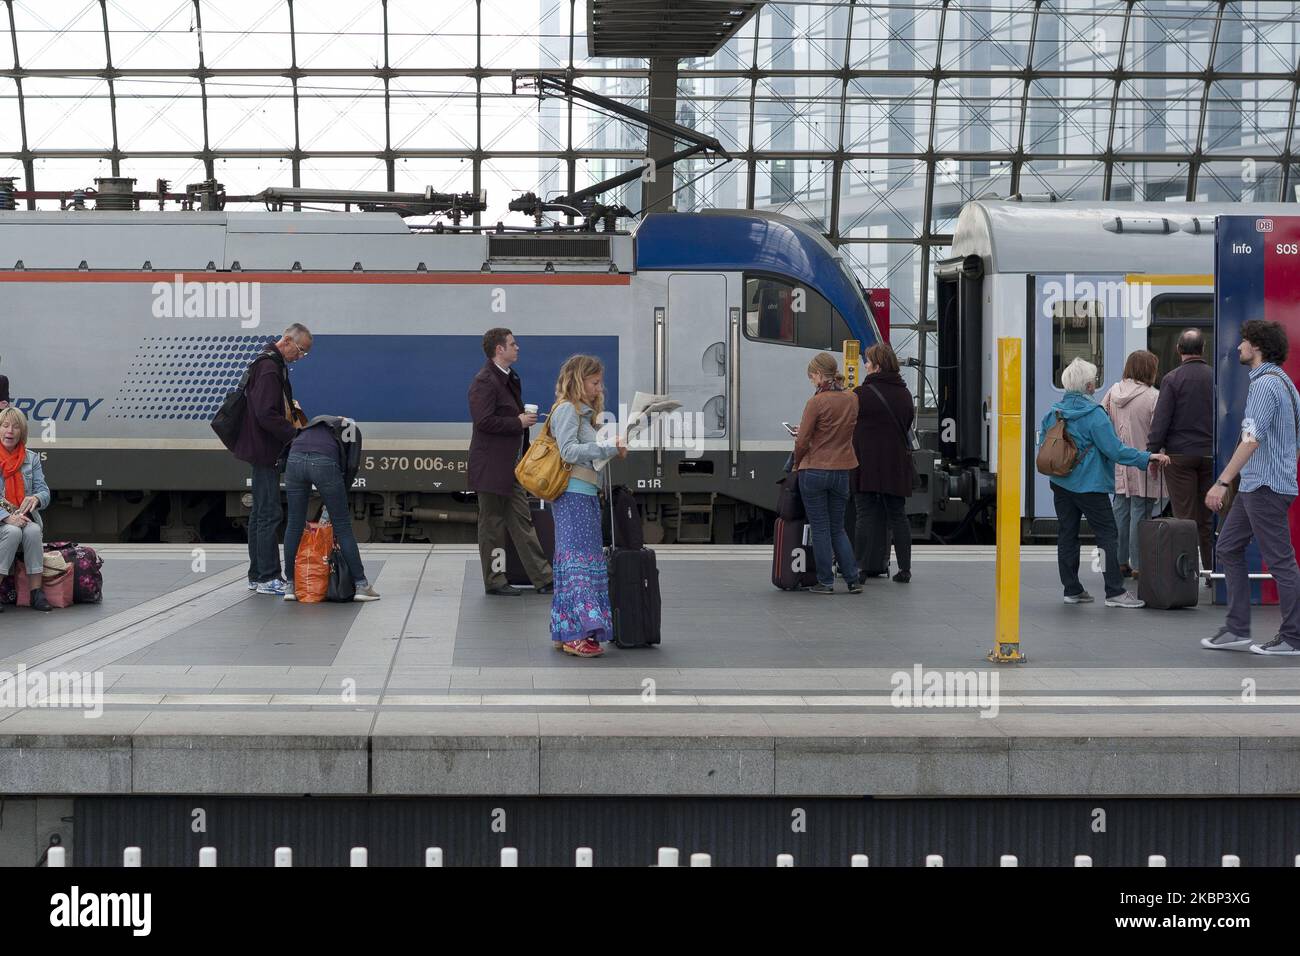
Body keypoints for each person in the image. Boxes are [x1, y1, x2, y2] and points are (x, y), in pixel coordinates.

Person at [1203, 319, 1300, 656]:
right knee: (1228, 547)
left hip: (1265, 487)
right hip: (1261, 483)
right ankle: (1236, 628)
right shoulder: (1286, 385)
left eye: (1244, 341)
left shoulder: (1264, 386)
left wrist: (1222, 481)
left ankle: (1293, 637)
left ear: (1257, 346)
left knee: (1281, 561)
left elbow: (1250, 440)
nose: (1239, 346)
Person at [1040, 358, 1170, 608]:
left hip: (1060, 483)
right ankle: (1114, 591)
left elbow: (1044, 444)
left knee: (1067, 534)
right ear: (1089, 386)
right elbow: (1116, 451)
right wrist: (1147, 457)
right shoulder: (1094, 416)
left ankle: (1072, 589)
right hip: (1090, 485)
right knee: (1107, 535)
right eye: (1094, 381)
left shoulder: (1054, 412)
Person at [548, 355, 626, 657]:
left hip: (583, 494)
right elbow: (568, 451)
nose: (598, 387)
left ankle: (565, 629)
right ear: (579, 381)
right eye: (594, 382)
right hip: (573, 495)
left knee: (576, 561)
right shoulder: (567, 410)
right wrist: (606, 447)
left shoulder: (580, 413)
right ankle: (576, 633)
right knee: (577, 562)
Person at [468, 328, 554, 596]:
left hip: (511, 467)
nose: (518, 348)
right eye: (513, 344)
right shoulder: (485, 381)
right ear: (499, 350)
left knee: (522, 521)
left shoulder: (508, 378)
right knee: (492, 526)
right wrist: (517, 422)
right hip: (491, 468)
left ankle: (543, 579)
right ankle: (495, 580)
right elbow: (483, 422)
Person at [231, 323, 311, 596]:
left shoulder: (268, 363)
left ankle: (257, 575)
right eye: (300, 351)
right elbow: (266, 413)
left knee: (259, 514)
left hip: (260, 447)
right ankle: (267, 577)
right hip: (265, 449)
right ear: (287, 340)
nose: (299, 357)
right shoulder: (269, 368)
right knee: (269, 513)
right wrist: (294, 435)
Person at [281, 416, 379, 603]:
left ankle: (291, 585)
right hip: (324, 463)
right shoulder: (352, 428)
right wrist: (343, 489)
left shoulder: (313, 425)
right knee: (342, 526)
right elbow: (352, 465)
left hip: (294, 461)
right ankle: (361, 585)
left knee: (294, 524)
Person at [791, 353, 862, 595]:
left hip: (815, 470)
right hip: (842, 471)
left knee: (820, 528)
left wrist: (796, 463)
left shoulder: (816, 402)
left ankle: (826, 582)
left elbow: (802, 442)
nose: (812, 381)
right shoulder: (852, 399)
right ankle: (852, 579)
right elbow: (838, 430)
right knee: (837, 527)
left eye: (812, 376)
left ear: (820, 375)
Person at [1147, 328, 1215, 580]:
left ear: (1178, 350)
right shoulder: (1214, 377)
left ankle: (1187, 575)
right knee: (1207, 519)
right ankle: (1211, 571)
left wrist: (1152, 453)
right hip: (1210, 456)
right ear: (1203, 349)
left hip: (1179, 456)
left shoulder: (1172, 379)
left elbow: (1161, 420)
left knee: (1185, 519)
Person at [852, 342, 914, 584]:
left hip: (865, 462)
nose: (865, 365)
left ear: (877, 366)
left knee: (864, 515)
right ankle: (905, 569)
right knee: (898, 515)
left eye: (867, 361)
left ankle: (860, 568)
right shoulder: (904, 393)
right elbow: (907, 423)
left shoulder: (861, 394)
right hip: (895, 463)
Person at [1101, 350, 1163, 579]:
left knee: (1120, 510)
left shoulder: (1112, 393)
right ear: (1149, 370)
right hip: (1144, 462)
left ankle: (1118, 561)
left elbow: (1102, 423)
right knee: (1142, 512)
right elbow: (1158, 431)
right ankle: (1138, 564)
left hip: (1119, 463)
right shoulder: (1153, 396)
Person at [0, 407, 52, 612]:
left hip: (24, 518)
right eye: (5, 426)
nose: (10, 431)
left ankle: (36, 592)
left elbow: (45, 492)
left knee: (32, 530)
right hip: (5, 521)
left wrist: (36, 498)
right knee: (12, 532)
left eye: (15, 427)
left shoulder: (31, 459)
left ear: (22, 432)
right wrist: (6, 518)